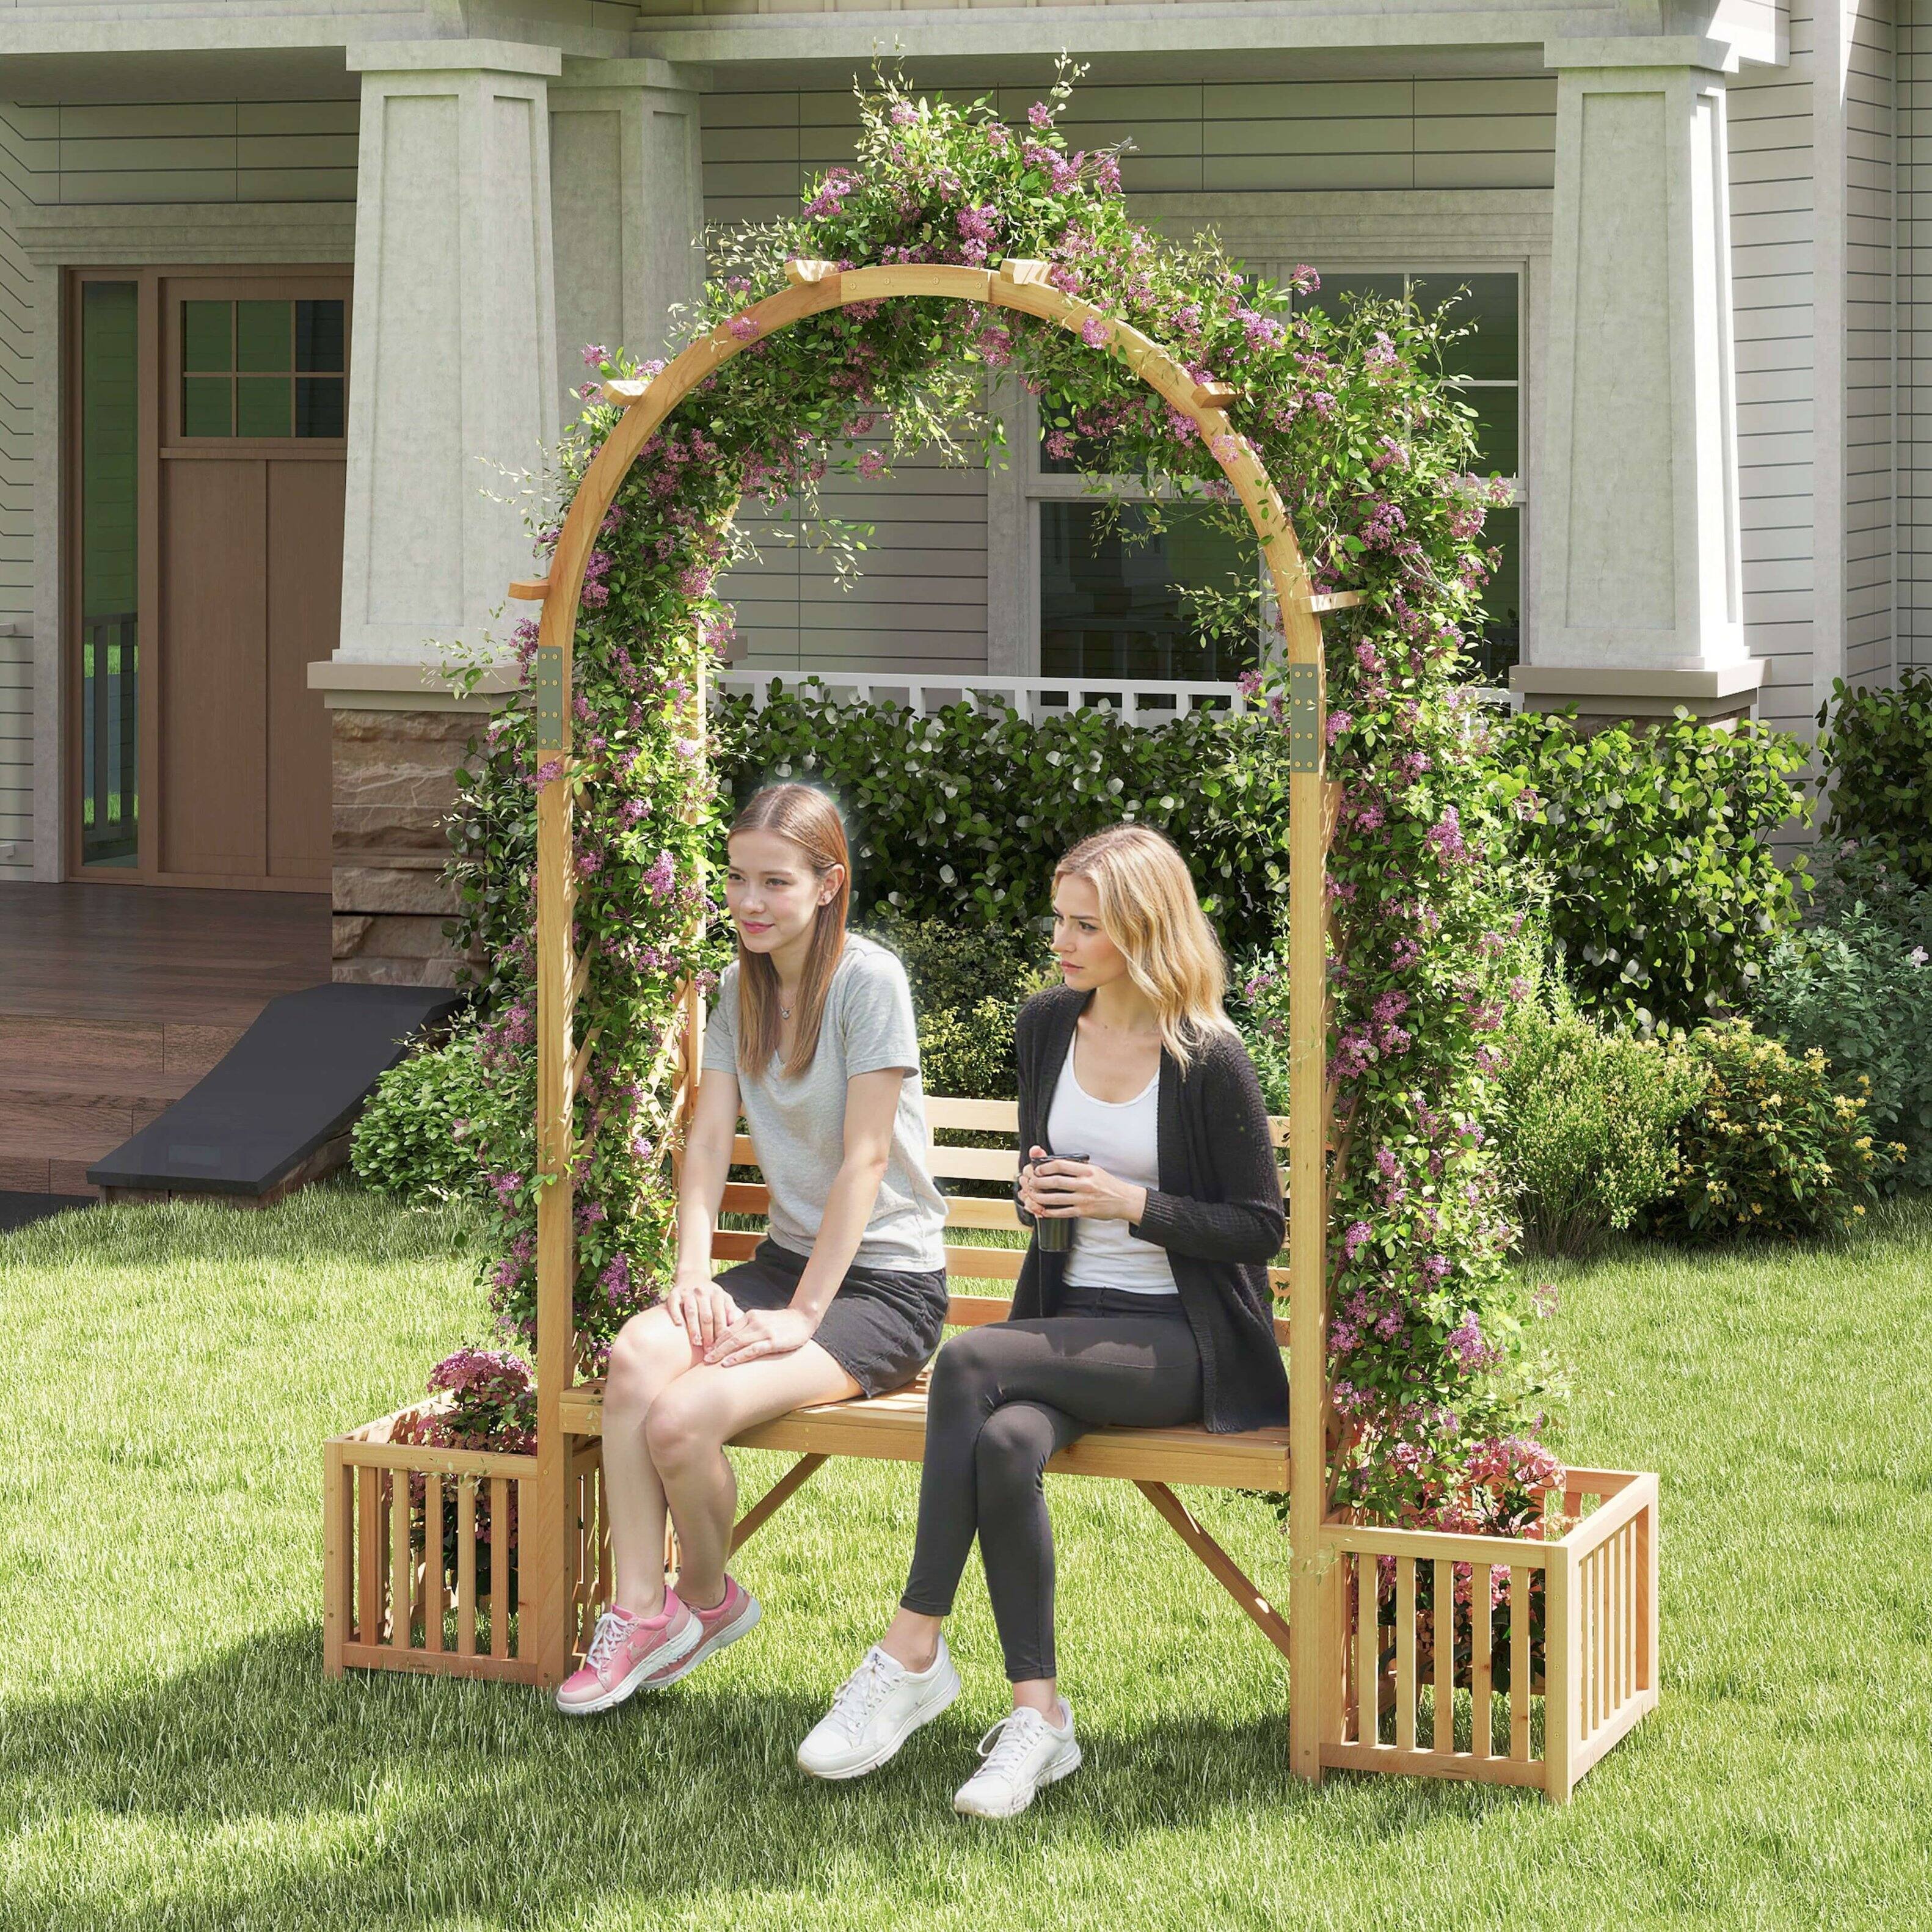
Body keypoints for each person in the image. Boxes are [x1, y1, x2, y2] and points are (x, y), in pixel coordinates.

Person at [797, 824, 1288, 1815]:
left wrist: (1132, 1203)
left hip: (1180, 1343)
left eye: (1086, 925)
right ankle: (1040, 1718)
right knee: (1008, 1441)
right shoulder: (1047, 1026)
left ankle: (912, 1646)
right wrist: (1041, 1196)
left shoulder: (1208, 1056)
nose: (1061, 941)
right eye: (1059, 919)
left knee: (969, 1362)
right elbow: (1044, 1193)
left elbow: (1260, 1227)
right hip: (1070, 1325)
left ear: (1145, 932)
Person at [556, 783, 949, 1715]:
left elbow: (864, 1160)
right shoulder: (738, 988)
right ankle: (641, 1610)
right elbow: (705, 1142)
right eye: (737, 879)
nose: (750, 901)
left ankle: (705, 1600)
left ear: (828, 885)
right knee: (636, 1356)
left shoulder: (871, 983)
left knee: (682, 1421)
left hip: (886, 1289)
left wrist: (804, 1316)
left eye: (776, 882)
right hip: (784, 1263)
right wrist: (692, 1274)